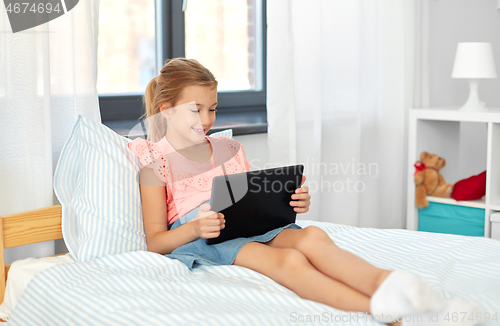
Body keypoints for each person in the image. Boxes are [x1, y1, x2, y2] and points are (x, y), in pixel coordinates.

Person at [128, 58, 484, 326]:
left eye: (212, 109)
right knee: (289, 262)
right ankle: (387, 313)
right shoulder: (153, 162)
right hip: (209, 238)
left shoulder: (227, 150)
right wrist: (194, 229)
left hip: (249, 226)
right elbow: (154, 240)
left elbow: (249, 199)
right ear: (166, 110)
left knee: (312, 236)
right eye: (196, 110)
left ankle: (398, 289)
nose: (206, 120)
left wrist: (288, 201)